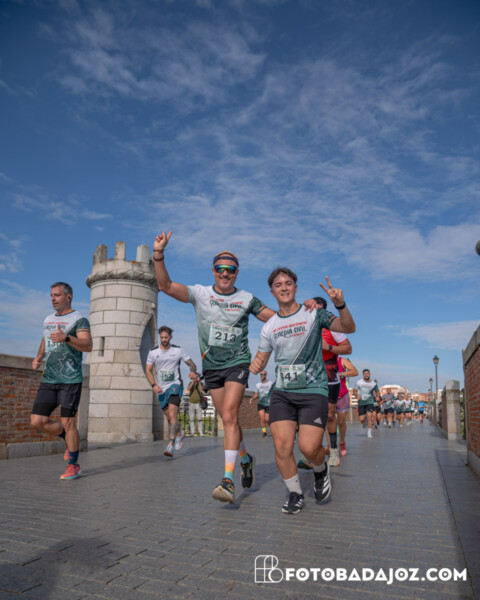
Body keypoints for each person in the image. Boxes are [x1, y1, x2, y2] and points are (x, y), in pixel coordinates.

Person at [153, 232, 276, 504]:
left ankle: (228, 480)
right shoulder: (200, 294)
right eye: (220, 268)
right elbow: (165, 285)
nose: (225, 273)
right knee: (229, 420)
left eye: (230, 269)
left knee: (230, 415)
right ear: (213, 271)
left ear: (237, 273)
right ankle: (245, 459)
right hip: (212, 367)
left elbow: (277, 319)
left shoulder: (246, 298)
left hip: (238, 363)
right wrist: (158, 255)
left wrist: (304, 314)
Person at [250, 270, 355, 514]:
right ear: (272, 292)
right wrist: (255, 364)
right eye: (278, 285)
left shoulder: (313, 313)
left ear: (296, 288)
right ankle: (295, 493)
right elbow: (261, 358)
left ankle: (320, 469)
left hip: (313, 390)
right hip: (283, 392)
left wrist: (340, 304)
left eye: (288, 283)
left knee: (308, 448)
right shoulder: (269, 326)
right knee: (282, 447)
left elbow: (349, 328)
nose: (284, 287)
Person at [30, 282, 92, 480]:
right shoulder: (48, 319)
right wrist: (39, 357)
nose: (53, 299)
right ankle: (67, 438)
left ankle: (73, 465)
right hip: (49, 377)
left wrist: (66, 338)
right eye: (51, 295)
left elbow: (87, 345)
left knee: (68, 421)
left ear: (68, 297)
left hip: (70, 379)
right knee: (37, 420)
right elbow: (45, 340)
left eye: (57, 295)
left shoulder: (79, 319)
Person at [145, 326, 198, 457]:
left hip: (175, 385)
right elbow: (148, 370)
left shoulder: (178, 350)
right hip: (161, 388)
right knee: (169, 416)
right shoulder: (153, 352)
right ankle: (179, 434)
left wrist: (192, 371)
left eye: (166, 337)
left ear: (171, 337)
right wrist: (154, 385)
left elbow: (192, 364)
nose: (164, 340)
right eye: (162, 337)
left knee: (173, 414)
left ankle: (170, 444)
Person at [336, 356, 358, 456]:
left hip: (341, 394)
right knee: (329, 419)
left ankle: (342, 442)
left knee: (341, 421)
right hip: (327, 394)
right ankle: (332, 445)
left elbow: (355, 372)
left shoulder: (341, 360)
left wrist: (341, 374)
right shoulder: (321, 359)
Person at [354, 369, 381, 438]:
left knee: (369, 417)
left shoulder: (373, 383)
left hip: (370, 401)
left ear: (369, 374)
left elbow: (377, 391)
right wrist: (357, 396)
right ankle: (364, 422)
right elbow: (354, 391)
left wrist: (377, 396)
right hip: (361, 402)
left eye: (367, 373)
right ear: (363, 375)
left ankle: (369, 432)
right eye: (365, 373)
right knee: (361, 419)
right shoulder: (359, 382)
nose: (366, 374)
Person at [249, 370, 274, 437]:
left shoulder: (270, 383)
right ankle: (264, 432)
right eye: (261, 374)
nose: (262, 375)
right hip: (261, 404)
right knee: (261, 418)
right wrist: (252, 398)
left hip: (268, 404)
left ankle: (273, 427)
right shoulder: (258, 385)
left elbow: (274, 392)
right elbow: (257, 393)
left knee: (267, 419)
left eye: (263, 374)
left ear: (266, 375)